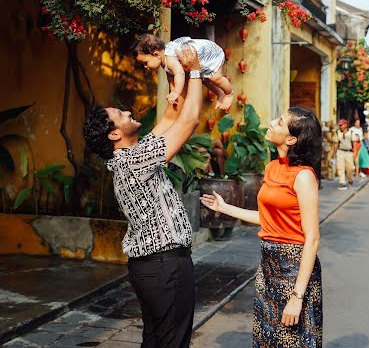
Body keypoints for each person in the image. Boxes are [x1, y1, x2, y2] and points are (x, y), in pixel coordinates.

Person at [83, 45, 202, 348]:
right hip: (164, 267)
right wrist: (197, 72)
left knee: (157, 341)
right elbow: (188, 123)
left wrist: (177, 74)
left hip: (153, 268)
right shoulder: (132, 161)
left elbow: (172, 116)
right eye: (120, 114)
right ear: (114, 135)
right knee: (172, 343)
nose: (128, 112)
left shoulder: (134, 155)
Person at [200, 107, 323, 348]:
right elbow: (268, 219)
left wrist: (297, 297)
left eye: (279, 122)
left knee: (292, 341)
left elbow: (312, 239)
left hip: (294, 270)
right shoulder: (272, 168)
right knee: (266, 338)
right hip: (267, 267)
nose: (271, 122)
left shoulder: (303, 176)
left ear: (291, 139)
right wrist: (224, 208)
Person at [134, 33, 234, 110]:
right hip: (200, 59)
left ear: (156, 54)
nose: (145, 66)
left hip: (211, 53)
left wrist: (177, 92)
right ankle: (220, 93)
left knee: (216, 78)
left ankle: (229, 93)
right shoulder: (165, 61)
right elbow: (171, 78)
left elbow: (179, 73)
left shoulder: (170, 57)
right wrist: (173, 92)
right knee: (206, 80)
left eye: (145, 62)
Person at [333, 119, 355, 190]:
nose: (340, 126)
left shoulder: (351, 133)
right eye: (339, 125)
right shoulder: (338, 132)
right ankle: (342, 182)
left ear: (345, 125)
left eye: (341, 125)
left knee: (350, 168)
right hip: (340, 152)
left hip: (349, 152)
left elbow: (354, 143)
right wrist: (334, 153)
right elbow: (336, 143)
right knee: (340, 167)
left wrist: (355, 153)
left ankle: (350, 179)